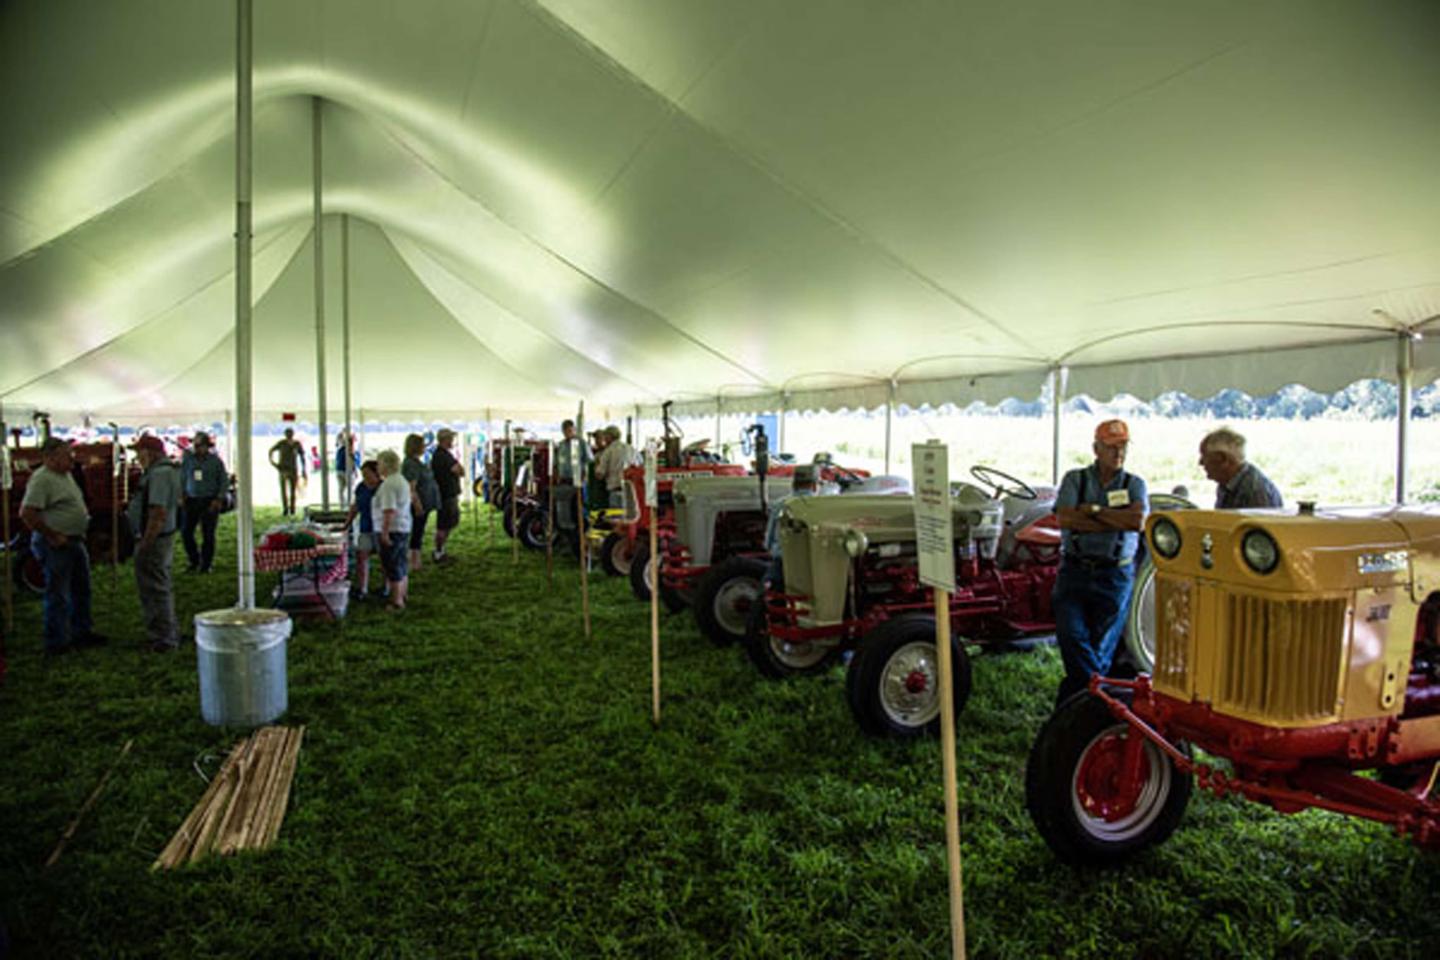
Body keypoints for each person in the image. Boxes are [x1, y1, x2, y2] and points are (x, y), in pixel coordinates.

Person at [1052, 419, 1149, 705]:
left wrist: (1093, 511)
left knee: (1100, 645)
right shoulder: (1075, 479)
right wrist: (1112, 519)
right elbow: (1067, 518)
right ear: (1096, 448)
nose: (1118, 453)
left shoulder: (1135, 484)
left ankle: (1075, 703)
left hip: (1115, 575)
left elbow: (1136, 521)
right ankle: (1096, 700)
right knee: (1071, 635)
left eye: (1123, 446)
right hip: (1075, 571)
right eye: (1111, 447)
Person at [19, 438, 105, 657]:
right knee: (58, 592)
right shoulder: (42, 480)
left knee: (81, 588)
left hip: (74, 540)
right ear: (50, 457)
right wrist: (52, 535)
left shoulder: (65, 475)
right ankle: (57, 641)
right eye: (66, 454)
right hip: (56, 543)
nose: (71, 458)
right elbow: (27, 513)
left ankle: (81, 631)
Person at [127, 435, 183, 652]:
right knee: (159, 585)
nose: (137, 458)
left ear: (149, 453)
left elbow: (157, 512)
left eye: (139, 453)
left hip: (155, 539)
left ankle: (163, 639)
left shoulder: (159, 475)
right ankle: (167, 632)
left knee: (154, 588)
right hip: (161, 536)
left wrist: (146, 542)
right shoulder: (167, 471)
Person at [1199, 426, 1283, 509]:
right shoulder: (1227, 484)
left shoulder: (1255, 491)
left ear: (1222, 459)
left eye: (1204, 456)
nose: (1200, 463)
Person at [179, 430, 227, 573]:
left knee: (208, 534)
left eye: (200, 445)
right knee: (186, 532)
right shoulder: (188, 460)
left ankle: (206, 564)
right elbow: (182, 477)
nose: (197, 447)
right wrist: (181, 494)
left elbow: (223, 481)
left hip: (209, 500)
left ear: (207, 446)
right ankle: (194, 560)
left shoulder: (216, 461)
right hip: (191, 499)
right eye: (195, 444)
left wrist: (218, 499)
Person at [373, 450, 413, 611]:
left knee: (392, 564)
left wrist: (384, 532)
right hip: (403, 526)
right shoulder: (401, 480)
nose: (377, 467)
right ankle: (403, 593)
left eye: (379, 463)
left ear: (385, 464)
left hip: (393, 528)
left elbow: (389, 510)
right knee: (401, 562)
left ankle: (396, 601)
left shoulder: (389, 484)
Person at [401, 433, 439, 573]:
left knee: (418, 530)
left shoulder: (416, 462)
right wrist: (417, 505)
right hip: (418, 503)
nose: (425, 447)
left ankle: (414, 559)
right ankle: (413, 561)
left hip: (423, 502)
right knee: (417, 531)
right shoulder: (411, 464)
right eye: (422, 445)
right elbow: (411, 487)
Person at [344, 459, 381, 598]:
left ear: (376, 473)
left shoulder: (383, 488)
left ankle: (387, 587)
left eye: (367, 474)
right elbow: (355, 507)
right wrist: (347, 524)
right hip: (365, 528)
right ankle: (362, 588)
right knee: (361, 556)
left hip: (380, 528)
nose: (365, 477)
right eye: (363, 474)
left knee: (385, 560)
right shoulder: (361, 487)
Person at [551, 419, 593, 536]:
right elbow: (556, 464)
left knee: (579, 509)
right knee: (564, 508)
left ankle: (581, 533)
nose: (567, 433)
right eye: (565, 431)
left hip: (578, 481)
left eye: (570, 430)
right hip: (565, 481)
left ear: (574, 429)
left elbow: (589, 461)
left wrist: (584, 478)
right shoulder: (561, 445)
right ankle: (566, 532)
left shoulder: (582, 443)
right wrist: (556, 476)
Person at [430, 429, 464, 563]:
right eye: (450, 439)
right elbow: (460, 470)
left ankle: (441, 550)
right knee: (444, 525)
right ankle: (438, 552)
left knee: (448, 523)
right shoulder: (442, 455)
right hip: (446, 495)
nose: (452, 441)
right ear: (445, 440)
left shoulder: (443, 454)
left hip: (448, 494)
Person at [268, 427, 306, 516]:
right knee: (283, 490)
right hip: (283, 469)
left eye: (290, 433)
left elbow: (302, 456)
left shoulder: (297, 444)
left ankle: (292, 509)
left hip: (293, 469)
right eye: (287, 433)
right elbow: (271, 451)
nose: (289, 435)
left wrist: (304, 469)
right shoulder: (281, 443)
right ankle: (285, 509)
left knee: (293, 490)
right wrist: (274, 463)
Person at [594, 425, 634, 508]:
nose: (604, 439)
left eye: (605, 436)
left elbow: (599, 475)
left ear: (609, 437)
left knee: (617, 517)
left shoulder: (608, 451)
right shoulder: (631, 449)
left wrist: (596, 466)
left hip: (615, 490)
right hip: (632, 492)